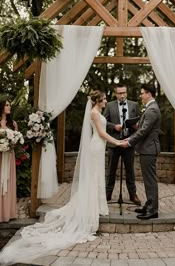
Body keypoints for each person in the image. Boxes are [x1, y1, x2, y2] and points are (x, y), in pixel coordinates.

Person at [0, 90, 123, 265]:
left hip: (99, 147)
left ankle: (98, 205)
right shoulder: (94, 113)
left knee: (97, 178)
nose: (106, 101)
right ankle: (93, 206)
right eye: (104, 99)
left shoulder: (98, 112)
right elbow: (102, 134)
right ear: (98, 101)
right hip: (97, 145)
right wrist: (118, 142)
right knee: (94, 177)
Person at [120, 84, 161, 220]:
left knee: (150, 180)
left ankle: (152, 210)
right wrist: (129, 137)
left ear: (149, 94)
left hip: (149, 149)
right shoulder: (150, 108)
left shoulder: (152, 110)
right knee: (148, 179)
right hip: (146, 148)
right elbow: (142, 129)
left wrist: (130, 142)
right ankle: (148, 206)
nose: (140, 96)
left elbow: (144, 131)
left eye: (142, 93)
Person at [104, 84, 141, 205]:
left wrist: (135, 126)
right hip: (113, 143)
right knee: (111, 170)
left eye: (124, 92)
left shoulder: (134, 105)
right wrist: (114, 126)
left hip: (128, 142)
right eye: (120, 93)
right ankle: (107, 194)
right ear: (116, 94)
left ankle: (132, 194)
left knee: (130, 170)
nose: (122, 95)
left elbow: (139, 121)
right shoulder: (109, 105)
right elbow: (103, 121)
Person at [0, 98, 18, 223]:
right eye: (6, 105)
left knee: (8, 182)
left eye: (9, 105)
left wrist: (11, 144)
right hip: (0, 157)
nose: (9, 107)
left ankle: (8, 213)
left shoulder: (13, 124)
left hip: (9, 156)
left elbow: (16, 141)